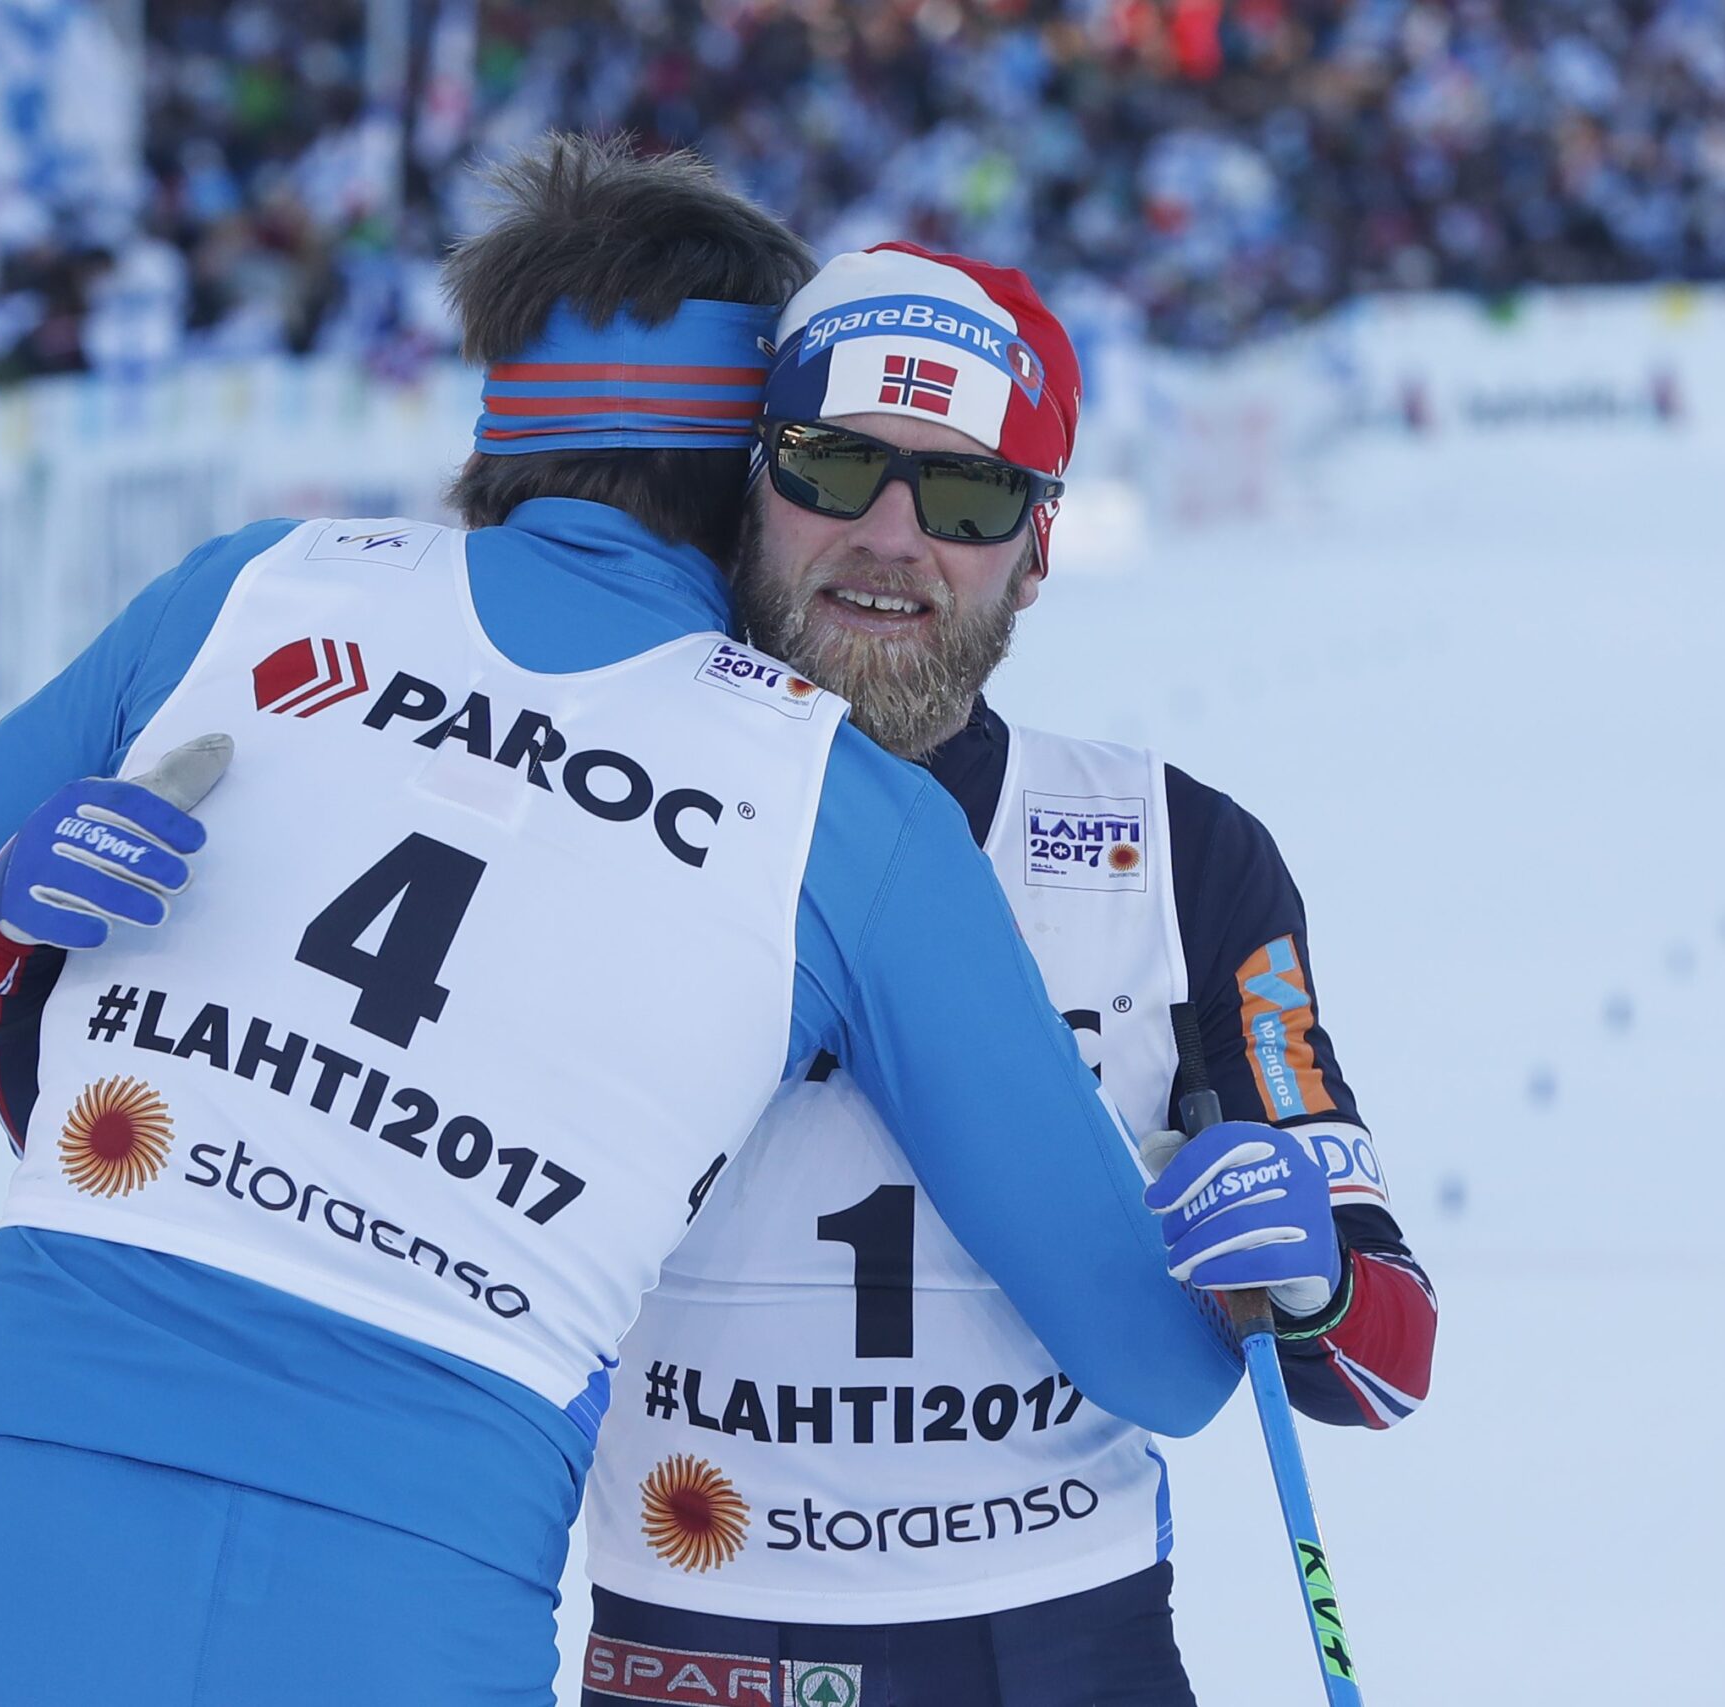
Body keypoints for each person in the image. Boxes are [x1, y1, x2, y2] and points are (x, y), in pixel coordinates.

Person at [0, 139, 1239, 1706]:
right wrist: (1243, 1212)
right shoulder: (846, 807)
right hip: (413, 1580)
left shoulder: (249, 593)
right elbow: (1159, 1366)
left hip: (5, 1502)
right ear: (748, 466)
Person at [579, 244, 1440, 1707]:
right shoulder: (578, 816)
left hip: (1059, 1654)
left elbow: (1384, 1366)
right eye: (835, 468)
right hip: (697, 1648)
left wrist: (1314, 1279)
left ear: (1037, 551)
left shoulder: (1180, 853)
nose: (892, 537)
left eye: (968, 497)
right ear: (750, 494)